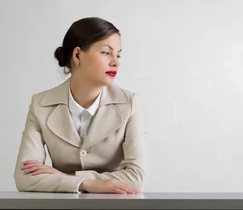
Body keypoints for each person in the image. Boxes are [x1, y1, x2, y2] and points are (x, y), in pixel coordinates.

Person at [13, 17, 146, 193]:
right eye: (106, 53)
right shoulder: (41, 104)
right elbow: (24, 178)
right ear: (77, 55)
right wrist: (87, 184)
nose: (116, 62)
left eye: (118, 54)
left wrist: (64, 178)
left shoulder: (129, 103)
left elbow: (136, 178)